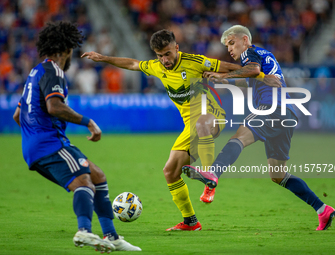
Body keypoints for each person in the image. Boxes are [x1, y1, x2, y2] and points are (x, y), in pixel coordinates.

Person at [82, 29, 280, 231]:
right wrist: (103, 58)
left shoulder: (195, 61)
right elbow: (133, 64)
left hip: (212, 116)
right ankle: (190, 222)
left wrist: (263, 76)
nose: (164, 60)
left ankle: (210, 176)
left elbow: (234, 67)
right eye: (159, 56)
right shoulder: (156, 67)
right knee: (170, 172)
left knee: (202, 123)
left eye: (167, 54)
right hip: (190, 127)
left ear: (176, 48)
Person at [182, 25, 335, 231]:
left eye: (231, 42)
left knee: (238, 137)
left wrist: (221, 76)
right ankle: (322, 209)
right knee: (278, 174)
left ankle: (213, 173)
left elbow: (253, 71)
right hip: (287, 113)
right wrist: (223, 81)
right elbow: (252, 79)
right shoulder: (264, 55)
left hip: (271, 107)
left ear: (245, 40)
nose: (229, 49)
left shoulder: (250, 53)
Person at [12, 21, 141, 252]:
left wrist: (34, 135)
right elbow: (54, 107)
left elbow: (17, 115)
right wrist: (88, 122)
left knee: (98, 176)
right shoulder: (54, 70)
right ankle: (84, 232)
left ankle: (111, 236)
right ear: (65, 49)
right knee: (84, 184)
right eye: (71, 49)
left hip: (35, 145)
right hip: (49, 144)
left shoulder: (36, 71)